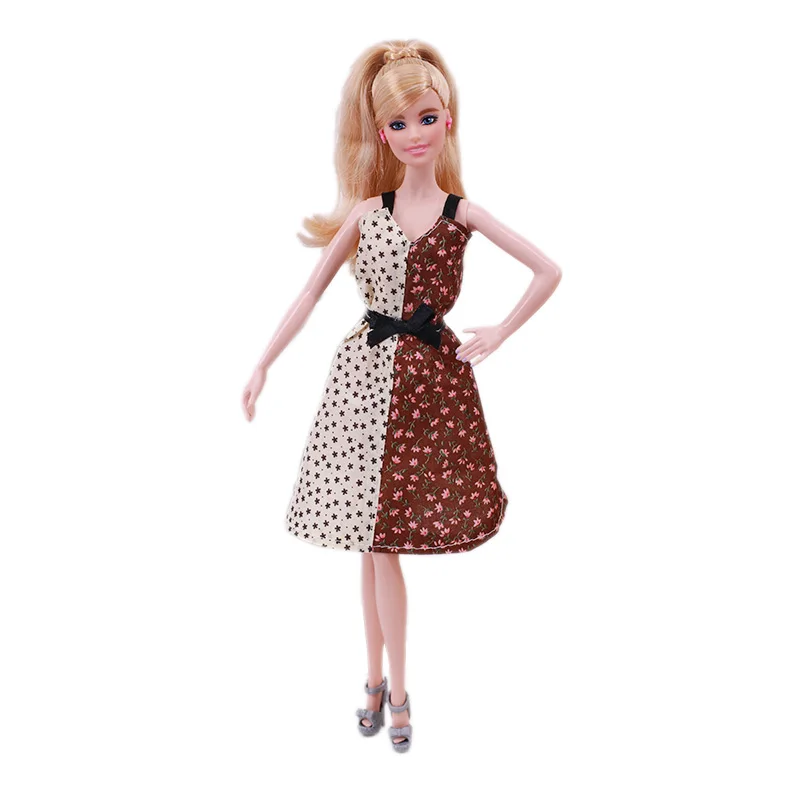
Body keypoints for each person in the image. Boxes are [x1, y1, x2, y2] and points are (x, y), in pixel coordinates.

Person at [242, 39, 562, 753]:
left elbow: (547, 270)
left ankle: (391, 685)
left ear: (448, 121)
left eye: (426, 117)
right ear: (381, 134)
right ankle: (381, 682)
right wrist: (263, 362)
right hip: (361, 384)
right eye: (398, 123)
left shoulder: (462, 213)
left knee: (381, 540)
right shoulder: (366, 212)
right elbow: (309, 294)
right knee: (371, 540)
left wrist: (502, 330)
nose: (414, 134)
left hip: (430, 391)